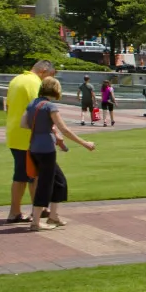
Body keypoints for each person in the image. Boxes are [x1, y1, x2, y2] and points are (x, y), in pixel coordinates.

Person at [22, 75, 96, 231]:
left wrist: (43, 128)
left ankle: (53, 216)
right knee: (45, 184)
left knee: (59, 182)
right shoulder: (50, 107)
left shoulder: (32, 104)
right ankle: (36, 222)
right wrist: (85, 143)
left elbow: (24, 124)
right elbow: (65, 129)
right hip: (47, 150)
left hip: (34, 146)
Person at [5, 61, 54, 224]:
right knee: (28, 175)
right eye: (50, 76)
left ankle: (34, 209)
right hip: (27, 136)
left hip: (14, 133)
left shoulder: (16, 80)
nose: (49, 82)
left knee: (27, 174)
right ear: (44, 70)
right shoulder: (34, 83)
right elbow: (39, 109)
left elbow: (9, 106)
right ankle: (21, 212)